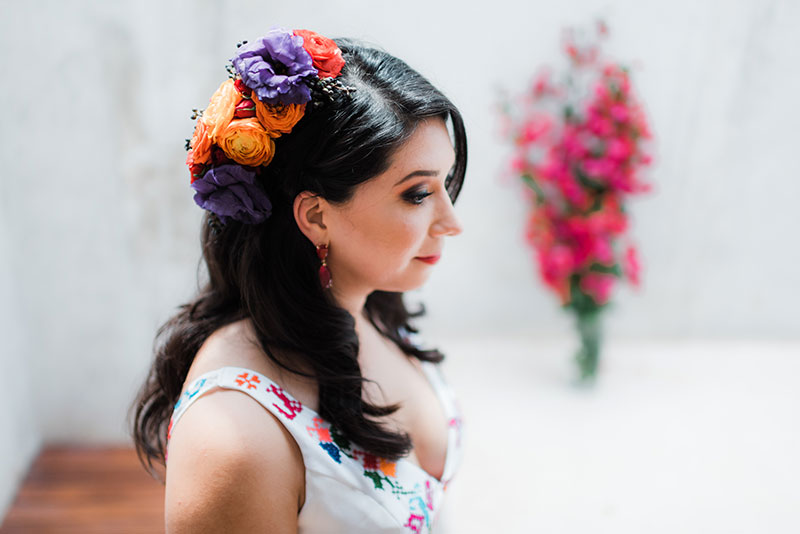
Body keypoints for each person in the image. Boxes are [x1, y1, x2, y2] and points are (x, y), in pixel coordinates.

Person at [131, 28, 467, 533]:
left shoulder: (369, 302)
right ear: (315, 216)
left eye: (447, 182)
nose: (451, 221)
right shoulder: (237, 439)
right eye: (417, 194)